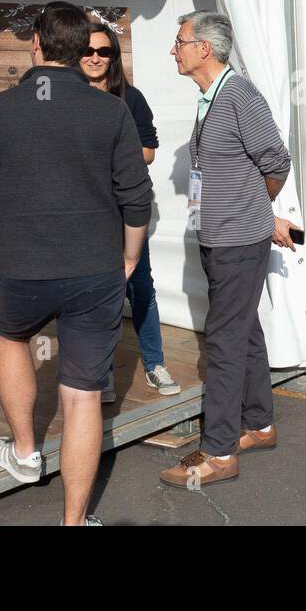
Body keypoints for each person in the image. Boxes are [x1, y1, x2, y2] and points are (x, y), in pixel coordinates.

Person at [0, 1, 152, 526]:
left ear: (36, 44)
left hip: (25, 266)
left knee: (12, 338)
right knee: (83, 396)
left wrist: (19, 195)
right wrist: (130, 257)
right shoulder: (111, 111)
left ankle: (23, 453)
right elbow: (137, 199)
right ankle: (72, 521)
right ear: (80, 49)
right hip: (96, 267)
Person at [159, 11, 296, 489]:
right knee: (243, 330)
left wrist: (256, 209)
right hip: (219, 238)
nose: (173, 50)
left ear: (205, 49)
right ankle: (259, 424)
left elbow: (276, 161)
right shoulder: (209, 98)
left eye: (179, 42)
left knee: (223, 340)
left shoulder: (239, 94)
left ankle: (218, 452)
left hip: (239, 239)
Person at [80, 22, 180, 399]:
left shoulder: (130, 97)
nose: (94, 57)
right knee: (95, 294)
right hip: (84, 213)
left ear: (114, 58)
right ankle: (101, 371)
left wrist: (106, 150)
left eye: (103, 51)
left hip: (126, 212)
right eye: (88, 51)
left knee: (140, 288)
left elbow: (149, 151)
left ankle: (154, 363)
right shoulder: (68, 98)